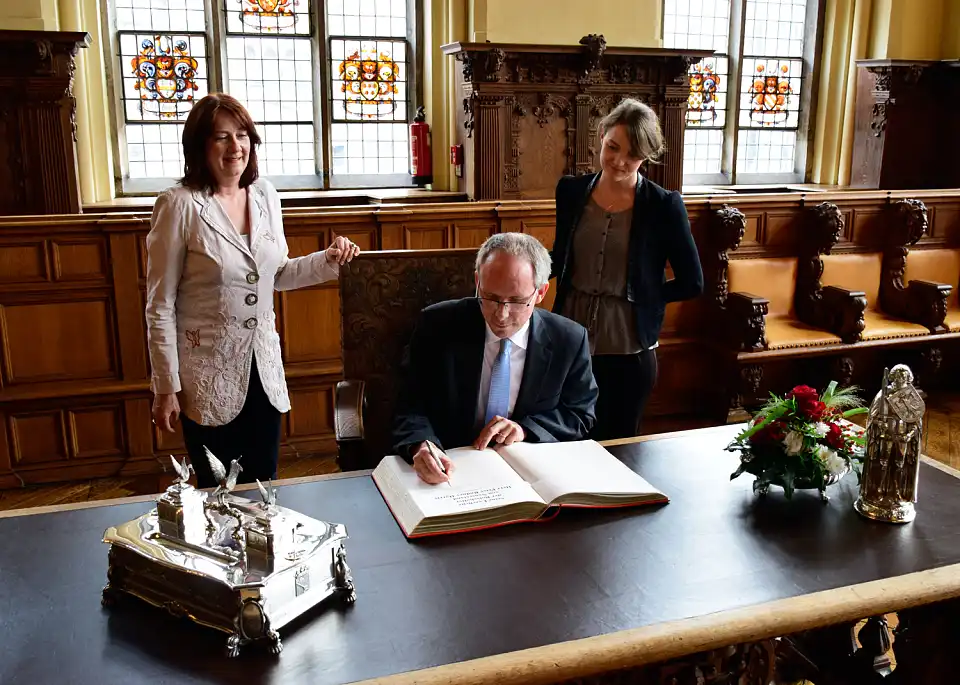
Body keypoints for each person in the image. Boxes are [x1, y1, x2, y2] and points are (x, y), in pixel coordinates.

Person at [145, 93, 360, 488]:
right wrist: (166, 388)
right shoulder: (179, 205)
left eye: (242, 135)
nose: (235, 146)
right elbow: (160, 305)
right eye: (222, 137)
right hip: (206, 377)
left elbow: (277, 273)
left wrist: (328, 260)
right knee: (219, 497)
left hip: (264, 373)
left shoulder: (264, 194)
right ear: (199, 146)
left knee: (266, 490)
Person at [551, 98, 703, 441]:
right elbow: (560, 256)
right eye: (612, 147)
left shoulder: (663, 205)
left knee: (618, 445)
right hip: (568, 336)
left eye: (632, 155)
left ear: (646, 156)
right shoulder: (571, 191)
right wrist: (523, 273)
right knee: (564, 440)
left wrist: (644, 297)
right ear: (601, 136)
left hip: (628, 346)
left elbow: (692, 282)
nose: (619, 161)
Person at [392, 232, 599, 485]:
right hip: (450, 470)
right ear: (478, 281)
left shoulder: (569, 339)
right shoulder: (437, 325)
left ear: (541, 292)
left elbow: (580, 413)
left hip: (528, 475)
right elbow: (409, 404)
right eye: (491, 298)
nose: (501, 315)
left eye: (516, 301)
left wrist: (525, 429)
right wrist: (420, 445)